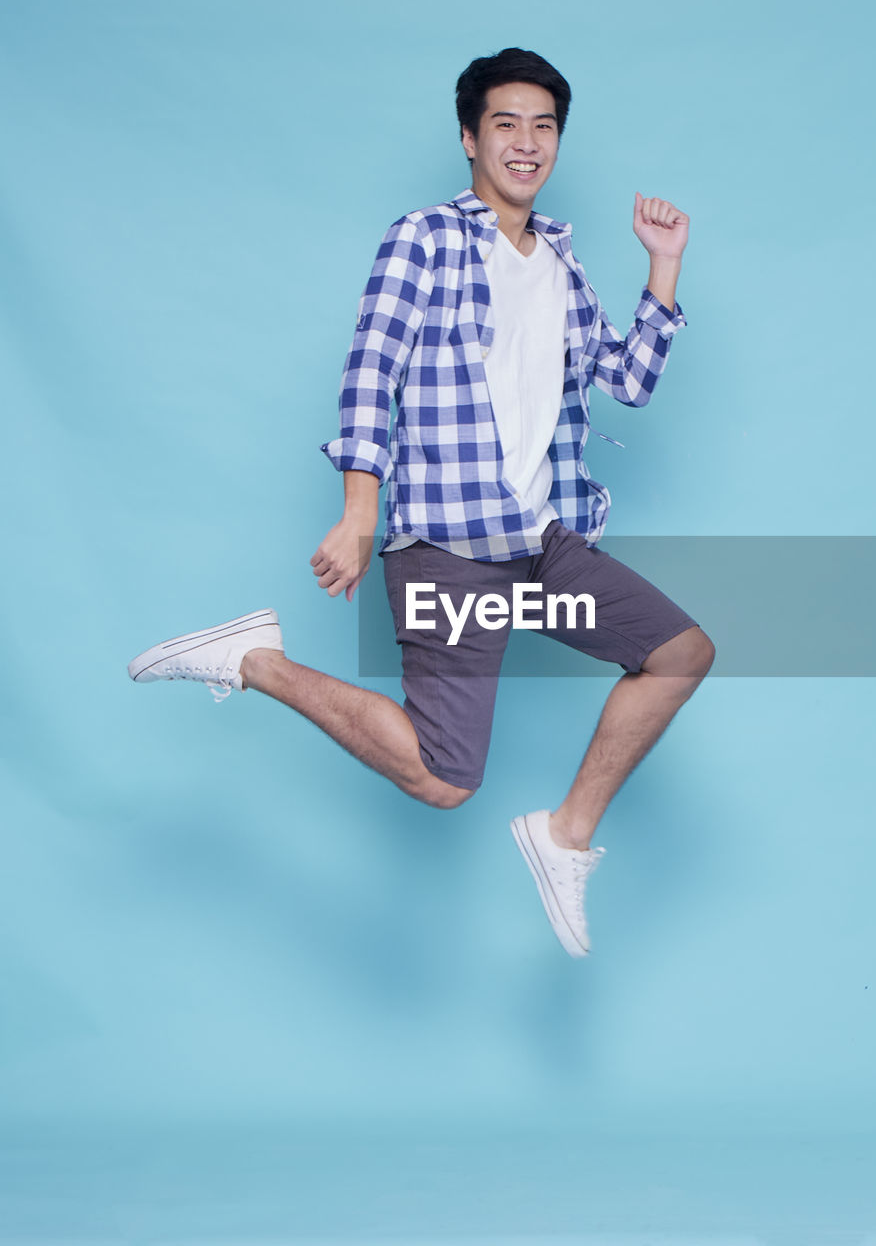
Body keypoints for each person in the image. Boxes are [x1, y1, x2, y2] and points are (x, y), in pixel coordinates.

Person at [128, 48, 715, 959]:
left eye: (544, 126)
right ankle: (254, 659)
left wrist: (665, 267)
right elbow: (371, 372)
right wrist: (361, 513)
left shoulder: (561, 262)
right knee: (445, 779)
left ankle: (563, 836)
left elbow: (627, 381)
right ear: (470, 137)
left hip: (538, 545)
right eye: (506, 124)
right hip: (446, 544)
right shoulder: (426, 239)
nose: (527, 143)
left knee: (679, 652)